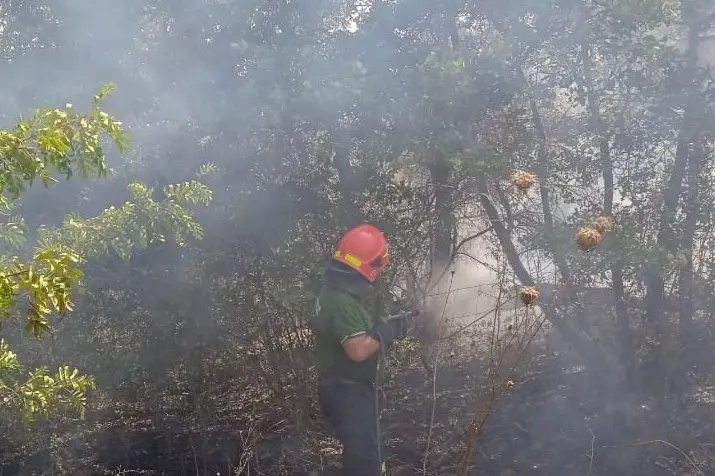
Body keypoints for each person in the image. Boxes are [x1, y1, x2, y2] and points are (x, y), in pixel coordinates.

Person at [310, 224, 412, 476]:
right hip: (350, 394)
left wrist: (383, 327)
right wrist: (383, 333)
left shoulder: (331, 292)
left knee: (359, 455)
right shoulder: (343, 302)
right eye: (378, 268)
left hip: (341, 390)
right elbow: (357, 350)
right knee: (367, 461)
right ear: (369, 266)